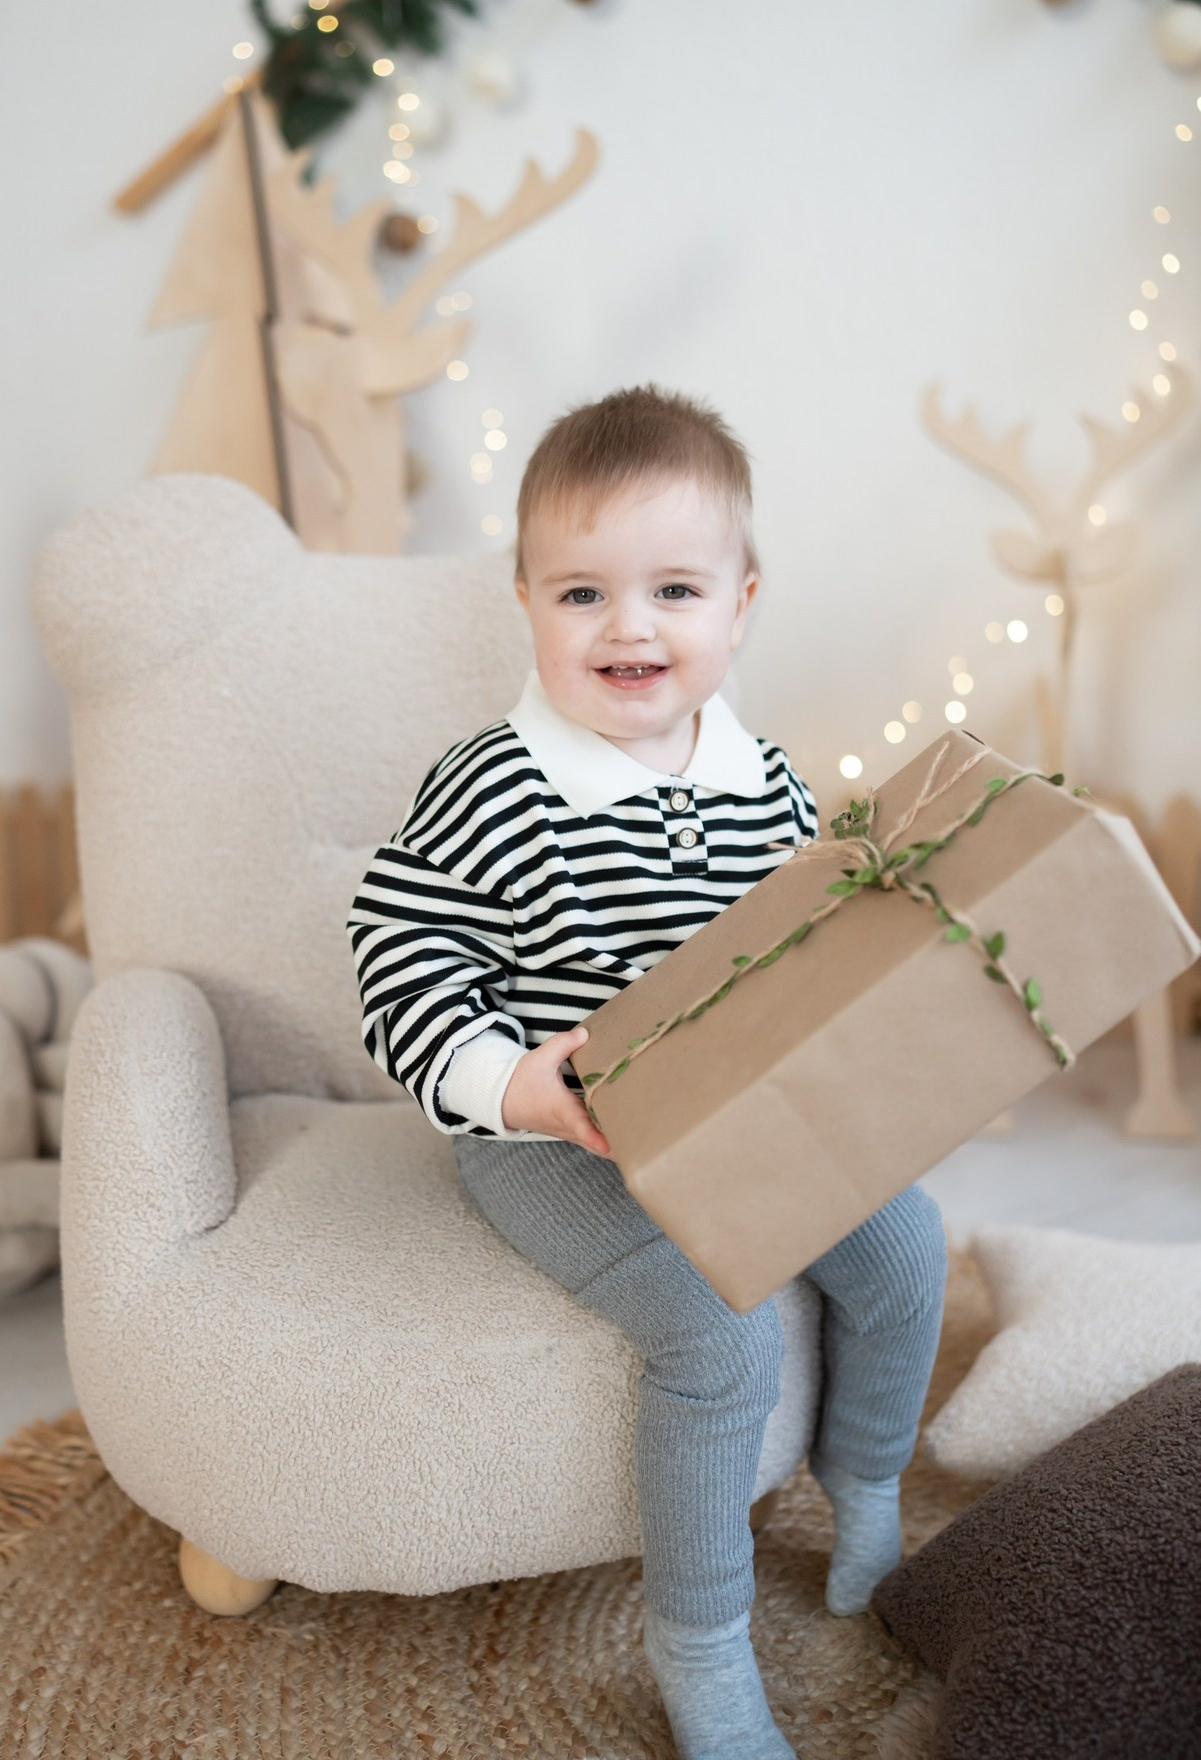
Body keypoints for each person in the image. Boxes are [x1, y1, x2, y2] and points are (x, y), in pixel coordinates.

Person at [346, 381, 948, 1760]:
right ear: (526, 603)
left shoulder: (769, 779)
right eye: (583, 595)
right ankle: (701, 1640)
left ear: (739, 605)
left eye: (674, 589)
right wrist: (512, 1086)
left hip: (747, 1121)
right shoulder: (494, 785)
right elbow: (398, 951)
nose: (630, 628)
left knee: (907, 1244)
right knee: (719, 1331)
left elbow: (813, 952)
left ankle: (864, 1483)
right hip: (558, 1141)